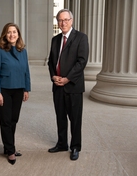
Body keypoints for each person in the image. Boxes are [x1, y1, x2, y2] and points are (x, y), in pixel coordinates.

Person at [48, 9, 89, 161]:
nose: (63, 23)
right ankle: (62, 144)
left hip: (73, 86)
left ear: (71, 20)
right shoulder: (55, 40)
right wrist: (53, 76)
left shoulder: (81, 38)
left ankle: (75, 146)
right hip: (57, 85)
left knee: (75, 118)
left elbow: (82, 61)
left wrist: (67, 78)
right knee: (60, 117)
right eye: (60, 20)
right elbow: (51, 62)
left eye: (66, 20)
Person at [0, 23, 31, 165]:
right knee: (6, 121)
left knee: (14, 119)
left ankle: (8, 146)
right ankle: (11, 151)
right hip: (4, 90)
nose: (12, 34)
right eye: (9, 32)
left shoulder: (23, 51)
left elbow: (26, 72)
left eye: (14, 32)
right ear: (5, 35)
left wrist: (26, 89)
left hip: (19, 90)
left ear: (18, 34)